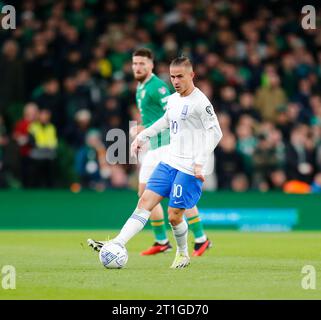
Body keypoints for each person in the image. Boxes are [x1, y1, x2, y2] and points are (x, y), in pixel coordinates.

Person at [89, 56, 222, 268]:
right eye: (172, 77)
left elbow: (216, 134)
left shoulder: (201, 103)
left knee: (174, 216)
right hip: (169, 162)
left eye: (180, 77)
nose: (176, 81)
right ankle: (118, 243)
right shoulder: (174, 99)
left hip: (189, 167)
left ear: (191, 75)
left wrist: (200, 161)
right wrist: (144, 136)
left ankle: (182, 252)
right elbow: (166, 121)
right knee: (144, 202)